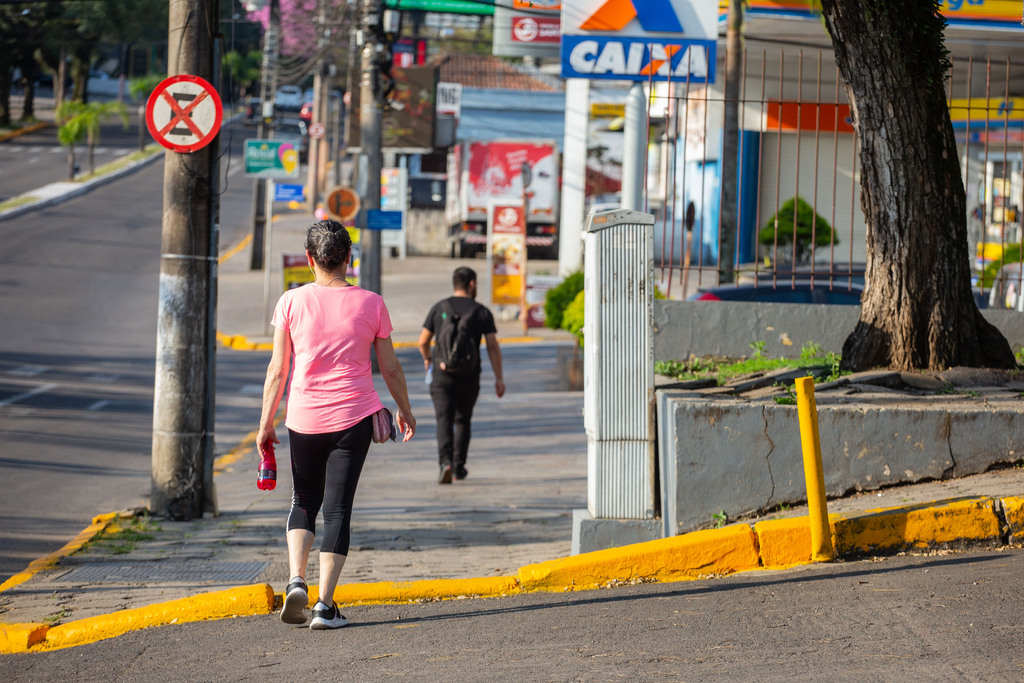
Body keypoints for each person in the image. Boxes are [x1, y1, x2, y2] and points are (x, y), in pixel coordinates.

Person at [256, 219, 415, 630]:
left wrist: (265, 423)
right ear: (349, 259)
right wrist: (405, 409)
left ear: (310, 260)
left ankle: (295, 579)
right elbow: (390, 367)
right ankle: (325, 607)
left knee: (303, 499)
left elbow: (278, 369)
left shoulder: (290, 302)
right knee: (338, 509)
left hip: (303, 418)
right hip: (354, 418)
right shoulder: (372, 303)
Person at [418, 266, 505, 484]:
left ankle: (444, 462)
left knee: (443, 418)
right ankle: (459, 467)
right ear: (472, 284)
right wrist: (499, 377)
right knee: (463, 420)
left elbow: (422, 341)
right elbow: (493, 345)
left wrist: (429, 359)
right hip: (469, 375)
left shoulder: (439, 308)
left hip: (441, 374)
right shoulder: (482, 311)